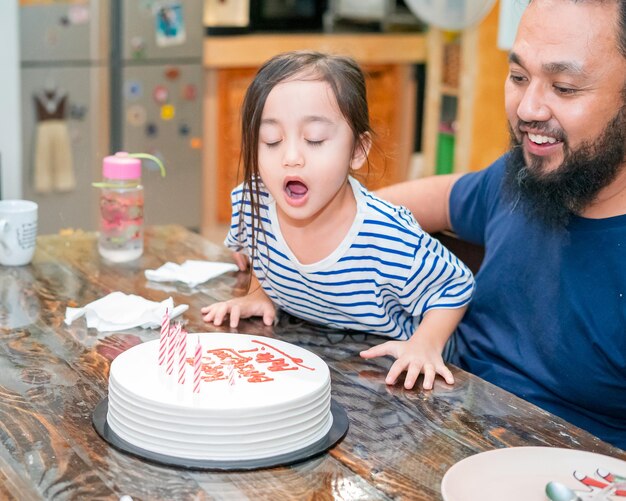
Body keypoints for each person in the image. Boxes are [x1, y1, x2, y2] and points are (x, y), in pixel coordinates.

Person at [377, 0, 626, 449]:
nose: (528, 108)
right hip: (440, 422)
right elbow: (427, 201)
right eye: (518, 77)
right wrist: (307, 232)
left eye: (564, 88)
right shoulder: (523, 175)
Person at [202, 51, 475, 390]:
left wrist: (425, 345)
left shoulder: (387, 237)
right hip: (317, 362)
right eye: (271, 141)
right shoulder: (252, 202)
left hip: (400, 377)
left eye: (314, 139)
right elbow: (259, 250)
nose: (290, 158)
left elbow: (455, 285)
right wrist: (260, 294)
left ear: (357, 151)